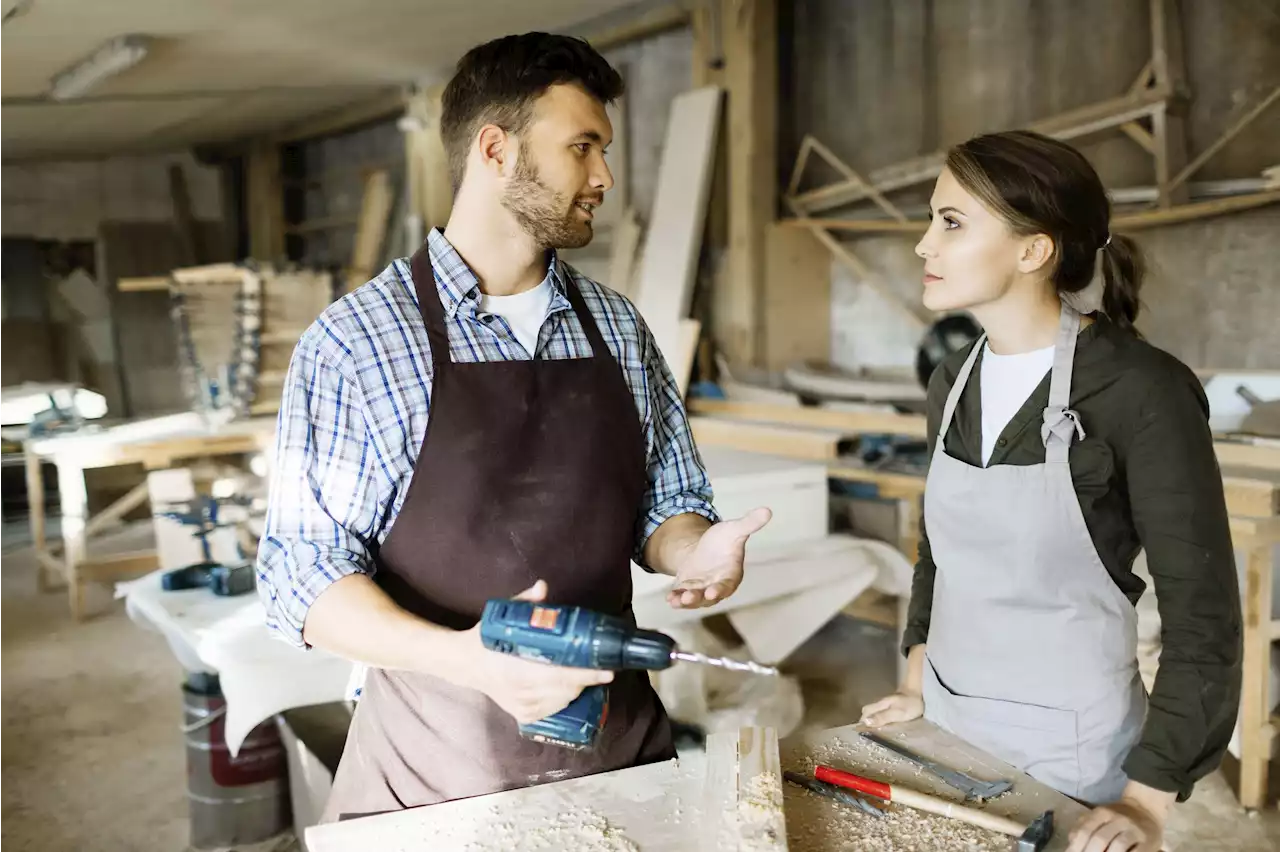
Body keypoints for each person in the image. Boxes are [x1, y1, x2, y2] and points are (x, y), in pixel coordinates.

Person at [255, 32, 770, 820]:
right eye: (582, 147)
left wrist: (693, 549)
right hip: (434, 776)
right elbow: (301, 579)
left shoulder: (617, 329)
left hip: (620, 756)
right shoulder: (360, 342)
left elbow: (665, 503)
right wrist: (468, 659)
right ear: (495, 150)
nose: (603, 176)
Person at [859, 130, 1241, 852]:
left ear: (1033, 251)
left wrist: (1147, 801)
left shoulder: (1140, 391)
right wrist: (915, 683)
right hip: (946, 732)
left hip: (1072, 763)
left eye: (950, 223)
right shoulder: (952, 382)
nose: (923, 246)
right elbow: (937, 557)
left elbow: (1204, 618)